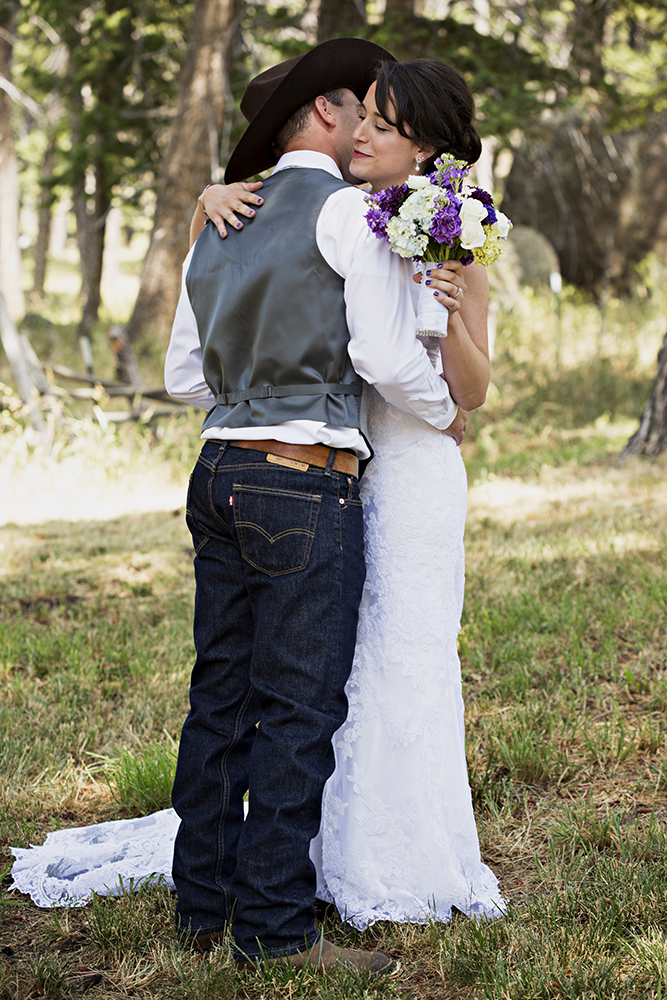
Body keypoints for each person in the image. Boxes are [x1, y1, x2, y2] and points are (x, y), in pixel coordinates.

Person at [164, 38, 468, 975]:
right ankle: (274, 932)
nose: (369, 124)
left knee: (220, 694)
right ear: (326, 115)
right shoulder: (344, 214)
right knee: (298, 706)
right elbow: (380, 357)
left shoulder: (220, 220)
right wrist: (446, 409)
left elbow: (186, 376)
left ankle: (199, 906)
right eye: (361, 110)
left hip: (214, 473)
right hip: (302, 481)